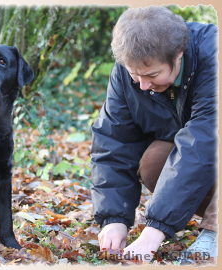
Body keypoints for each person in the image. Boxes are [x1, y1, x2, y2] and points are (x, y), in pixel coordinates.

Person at [91, 6, 218, 262]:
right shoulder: (129, 73)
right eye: (134, 75)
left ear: (178, 54)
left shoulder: (213, 55)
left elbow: (203, 140)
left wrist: (155, 230)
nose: (143, 85)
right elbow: (114, 141)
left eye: (152, 75)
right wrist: (114, 218)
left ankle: (214, 234)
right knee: (153, 164)